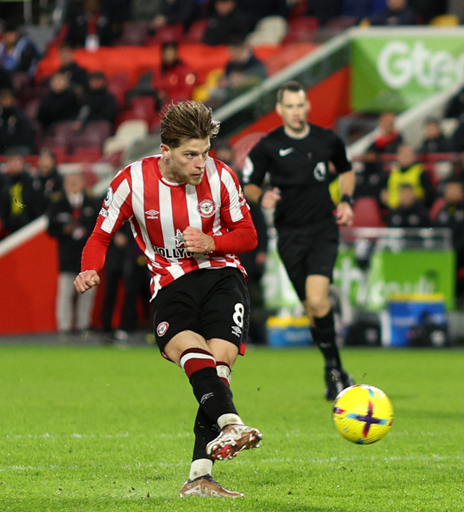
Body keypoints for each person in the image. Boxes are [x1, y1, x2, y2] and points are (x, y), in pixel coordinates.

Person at [73, 101, 262, 498]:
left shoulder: (222, 177)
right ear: (165, 152)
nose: (200, 163)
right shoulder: (132, 181)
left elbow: (248, 234)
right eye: (190, 155)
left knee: (218, 364)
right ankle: (228, 427)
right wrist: (91, 267)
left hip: (222, 275)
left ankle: (199, 476)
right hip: (170, 282)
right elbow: (100, 234)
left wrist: (213, 241)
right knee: (197, 359)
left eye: (205, 152)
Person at [242, 81, 357, 400]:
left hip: (322, 229)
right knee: (311, 309)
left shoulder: (327, 140)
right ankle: (334, 368)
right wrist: (261, 195)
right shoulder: (268, 146)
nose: (295, 111)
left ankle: (334, 370)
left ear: (307, 107)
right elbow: (248, 183)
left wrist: (346, 199)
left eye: (300, 105)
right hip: (289, 235)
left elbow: (347, 170)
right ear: (280, 110)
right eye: (289, 106)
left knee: (318, 299)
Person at [47, 172, 100, 336]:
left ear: (83, 184)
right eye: (70, 182)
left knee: (88, 293)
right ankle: (64, 326)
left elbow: (100, 228)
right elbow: (50, 228)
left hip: (88, 257)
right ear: (65, 185)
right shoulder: (59, 204)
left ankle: (83, 324)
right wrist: (64, 229)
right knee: (66, 292)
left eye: (76, 182)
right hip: (67, 255)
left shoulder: (92, 203)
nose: (73, 185)